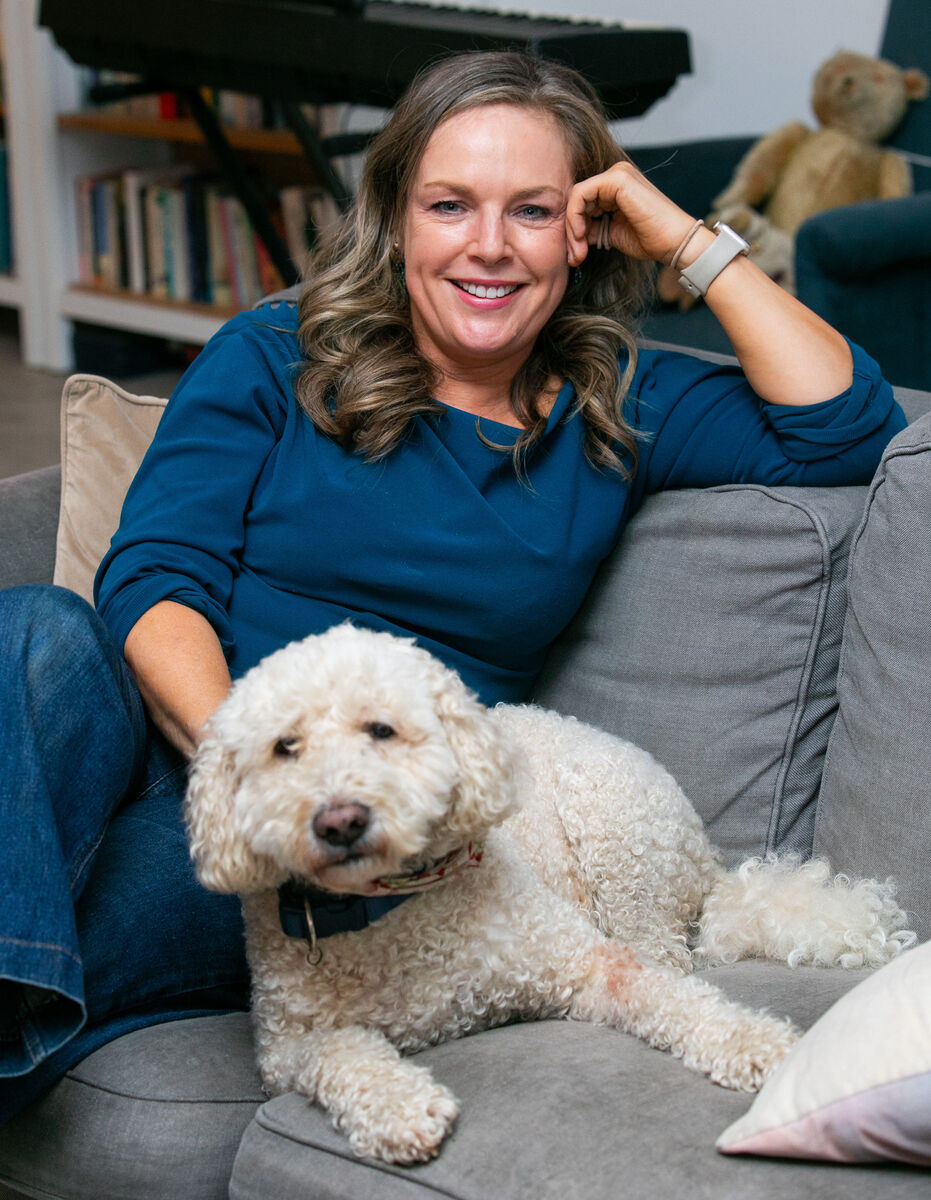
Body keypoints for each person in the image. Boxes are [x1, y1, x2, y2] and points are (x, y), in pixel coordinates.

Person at [0, 50, 906, 1125]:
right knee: (36, 631)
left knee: (99, 927)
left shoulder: (616, 405)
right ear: (396, 219)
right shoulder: (274, 354)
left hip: (340, 840)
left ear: (584, 232)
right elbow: (154, 581)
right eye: (449, 204)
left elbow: (851, 425)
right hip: (200, 761)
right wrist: (254, 775)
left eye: (531, 210)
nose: (487, 245)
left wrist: (684, 239)